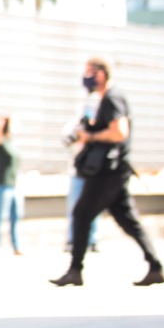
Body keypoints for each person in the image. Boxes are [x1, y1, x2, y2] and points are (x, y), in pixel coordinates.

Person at [50, 58, 164, 288]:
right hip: (114, 170)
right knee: (127, 219)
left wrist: (90, 136)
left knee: (82, 214)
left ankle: (75, 270)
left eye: (89, 73)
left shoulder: (112, 97)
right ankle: (155, 266)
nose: (86, 78)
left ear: (100, 74)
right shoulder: (105, 99)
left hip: (108, 171)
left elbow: (119, 132)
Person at [63, 94, 101, 254]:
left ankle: (92, 240)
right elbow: (66, 140)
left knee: (94, 208)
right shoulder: (74, 126)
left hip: (93, 173)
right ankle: (72, 240)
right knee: (75, 208)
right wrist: (78, 130)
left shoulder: (98, 126)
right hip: (76, 173)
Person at [0, 115, 24, 255]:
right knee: (0, 216)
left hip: (14, 184)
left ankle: (16, 246)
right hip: (1, 184)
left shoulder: (11, 142)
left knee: (16, 215)